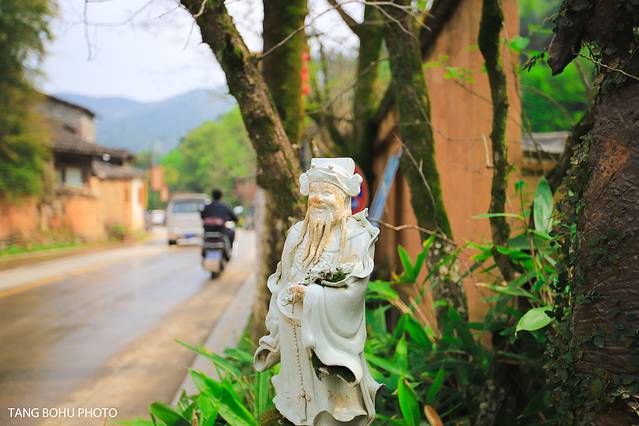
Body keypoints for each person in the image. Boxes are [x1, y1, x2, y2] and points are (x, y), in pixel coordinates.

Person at [200, 189, 238, 255]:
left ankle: (204, 253)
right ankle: (229, 251)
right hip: (220, 231)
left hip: (208, 231)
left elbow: (202, 216)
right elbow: (235, 218)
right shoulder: (224, 206)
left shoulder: (206, 207)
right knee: (231, 232)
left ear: (212, 196)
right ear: (221, 196)